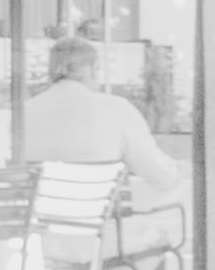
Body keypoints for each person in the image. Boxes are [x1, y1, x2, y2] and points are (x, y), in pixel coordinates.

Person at [23, 38, 185, 210]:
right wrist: (182, 170)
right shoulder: (117, 109)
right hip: (98, 225)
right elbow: (162, 176)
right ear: (91, 70)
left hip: (37, 225)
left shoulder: (23, 113)